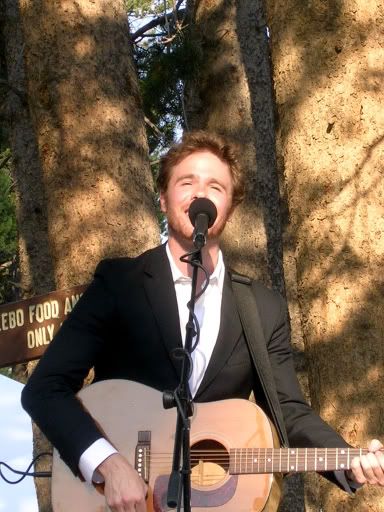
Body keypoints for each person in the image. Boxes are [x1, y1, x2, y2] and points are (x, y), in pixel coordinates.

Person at [22, 131, 384, 511]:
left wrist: (348, 459)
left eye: (215, 186)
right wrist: (108, 466)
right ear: (163, 198)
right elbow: (44, 389)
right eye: (187, 182)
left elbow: (288, 410)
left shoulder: (262, 307)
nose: (201, 195)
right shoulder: (119, 283)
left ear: (229, 207)